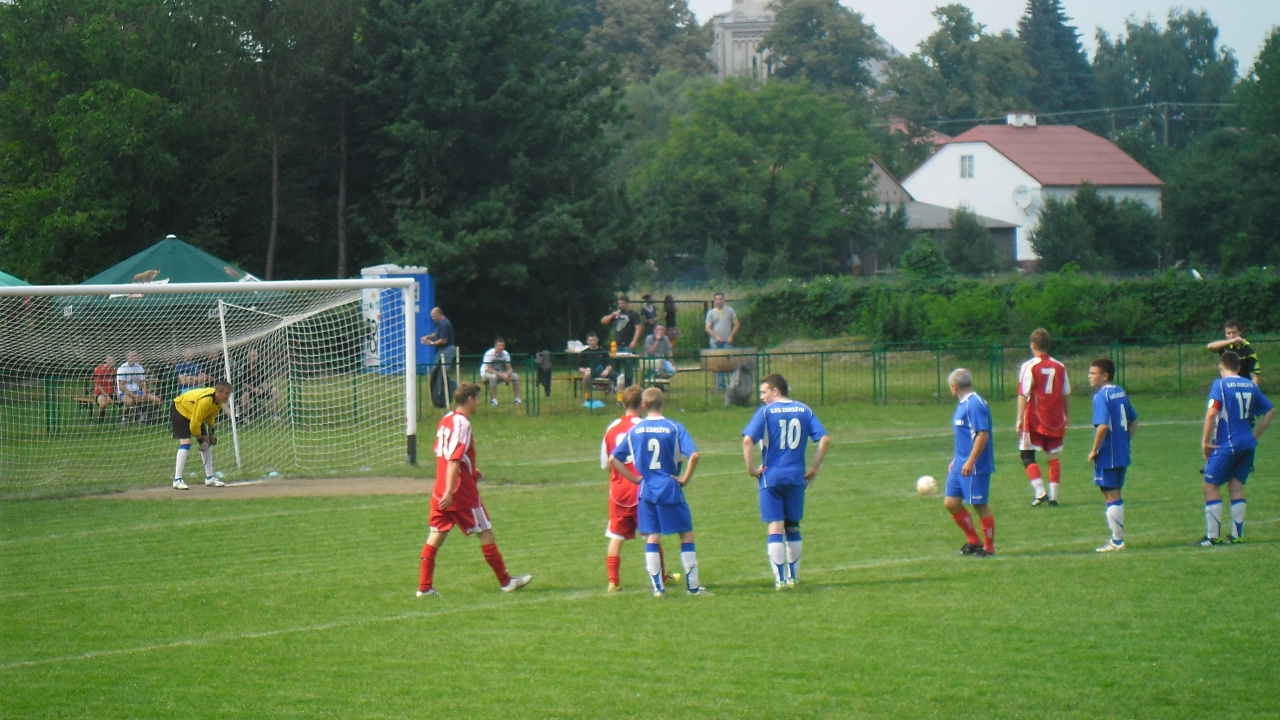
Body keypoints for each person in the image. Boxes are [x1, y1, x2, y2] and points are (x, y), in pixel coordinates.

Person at [418, 383, 532, 596]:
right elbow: (453, 460)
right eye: (478, 399)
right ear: (470, 399)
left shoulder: (446, 420)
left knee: (436, 535)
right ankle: (506, 582)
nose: (480, 403)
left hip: (440, 488)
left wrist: (470, 470)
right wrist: (452, 490)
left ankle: (424, 588)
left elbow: (444, 454)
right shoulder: (463, 424)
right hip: (460, 493)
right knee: (486, 532)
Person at [608, 387, 710, 596]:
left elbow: (613, 459)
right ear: (662, 404)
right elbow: (695, 455)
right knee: (687, 536)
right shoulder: (674, 427)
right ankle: (692, 587)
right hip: (670, 488)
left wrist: (635, 478)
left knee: (653, 538)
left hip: (646, 491)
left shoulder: (635, 431)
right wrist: (684, 479)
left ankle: (658, 589)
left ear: (643, 406)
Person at [742, 374, 830, 589]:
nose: (762, 397)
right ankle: (793, 577)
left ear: (775, 391)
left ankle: (780, 579)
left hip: (771, 477)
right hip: (796, 476)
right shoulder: (804, 410)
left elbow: (747, 440)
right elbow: (824, 439)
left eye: (764, 392)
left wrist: (752, 469)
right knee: (793, 527)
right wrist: (814, 468)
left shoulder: (766, 412)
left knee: (775, 527)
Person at [600, 385, 677, 592]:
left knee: (616, 536)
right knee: (651, 535)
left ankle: (613, 581)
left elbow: (607, 463)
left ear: (623, 403)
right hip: (642, 488)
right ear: (642, 405)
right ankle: (661, 576)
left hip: (617, 491)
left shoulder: (612, 428)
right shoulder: (644, 427)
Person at [1197, 351, 1275, 547]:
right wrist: (1253, 436)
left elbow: (1211, 414)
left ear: (1221, 367)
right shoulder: (1250, 385)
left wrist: (1205, 442)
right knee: (1236, 487)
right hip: (1247, 443)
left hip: (1227, 443)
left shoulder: (1220, 384)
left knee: (1210, 486)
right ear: (1239, 368)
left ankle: (1213, 537)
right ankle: (1236, 535)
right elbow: (1271, 411)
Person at [1086, 359, 1138, 552]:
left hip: (1108, 453)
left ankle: (1117, 541)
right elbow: (1134, 420)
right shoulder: (1120, 392)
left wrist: (1094, 450)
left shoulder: (1102, 396)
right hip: (1122, 451)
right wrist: (1125, 441)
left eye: (1093, 373)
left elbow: (1103, 426)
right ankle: (1117, 539)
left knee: (1110, 494)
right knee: (1114, 493)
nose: (1089, 377)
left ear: (1104, 376)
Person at [943, 368, 997, 557]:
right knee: (951, 502)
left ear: (954, 387)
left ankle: (989, 548)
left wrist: (971, 460)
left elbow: (983, 434)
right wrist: (957, 460)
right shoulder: (963, 404)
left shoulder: (974, 404)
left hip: (975, 466)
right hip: (960, 463)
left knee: (979, 504)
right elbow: (966, 435)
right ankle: (973, 541)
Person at [1016, 328, 1069, 507]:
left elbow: (1023, 393)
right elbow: (1066, 393)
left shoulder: (1029, 366)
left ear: (1033, 345)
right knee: (1052, 455)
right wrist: (1066, 416)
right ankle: (1053, 497)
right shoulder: (1060, 366)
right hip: (1055, 418)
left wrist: (1019, 418)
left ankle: (1040, 491)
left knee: (1026, 453)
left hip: (1035, 417)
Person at [170, 381, 232, 490]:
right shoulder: (206, 400)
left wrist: (211, 434)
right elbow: (194, 425)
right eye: (226, 393)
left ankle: (210, 478)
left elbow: (210, 416)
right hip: (180, 409)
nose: (228, 396)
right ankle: (177, 480)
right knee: (186, 442)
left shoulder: (218, 402)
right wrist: (200, 440)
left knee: (207, 443)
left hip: (193, 413)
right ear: (218, 392)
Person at [601, 294, 642, 388]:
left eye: (622, 303)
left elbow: (638, 328)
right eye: (619, 303)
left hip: (628, 345)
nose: (620, 305)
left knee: (628, 367)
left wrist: (634, 341)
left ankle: (628, 387)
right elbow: (603, 321)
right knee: (616, 367)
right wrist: (613, 315)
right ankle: (617, 386)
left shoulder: (634, 314)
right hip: (617, 345)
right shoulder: (617, 314)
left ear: (628, 304)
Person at [704, 292, 740, 391]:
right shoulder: (711, 313)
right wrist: (716, 336)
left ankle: (733, 385)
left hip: (727, 341)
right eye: (717, 299)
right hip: (715, 342)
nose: (719, 301)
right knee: (718, 365)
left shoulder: (730, 311)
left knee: (731, 363)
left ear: (724, 300)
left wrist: (731, 336)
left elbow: (737, 324)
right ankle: (721, 386)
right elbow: (708, 328)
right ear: (715, 301)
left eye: (721, 299)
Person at [1206, 320, 1260, 384]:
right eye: (1228, 333)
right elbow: (1210, 346)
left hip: (1242, 385)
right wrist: (1233, 340)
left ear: (1240, 332)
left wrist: (1253, 390)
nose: (1231, 336)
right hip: (1226, 385)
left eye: (1234, 333)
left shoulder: (1249, 351)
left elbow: (1255, 377)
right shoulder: (1224, 348)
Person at [116, 350, 162, 421]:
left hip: (137, 391)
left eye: (136, 356)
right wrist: (133, 395)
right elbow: (121, 386)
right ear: (127, 357)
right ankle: (125, 418)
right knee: (129, 401)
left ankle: (145, 415)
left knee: (157, 400)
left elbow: (143, 382)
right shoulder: (122, 368)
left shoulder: (139, 367)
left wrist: (145, 392)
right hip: (125, 392)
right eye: (133, 356)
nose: (135, 357)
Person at [238, 348, 279, 419]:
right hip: (247, 389)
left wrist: (266, 386)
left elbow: (264, 380)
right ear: (247, 357)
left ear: (258, 356)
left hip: (259, 389)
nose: (253, 358)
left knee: (274, 390)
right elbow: (241, 382)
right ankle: (244, 417)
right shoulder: (243, 367)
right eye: (251, 356)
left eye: (254, 356)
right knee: (245, 395)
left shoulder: (261, 366)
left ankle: (274, 414)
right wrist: (253, 389)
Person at [480, 337, 522, 406]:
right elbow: (489, 369)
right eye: (499, 345)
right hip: (486, 373)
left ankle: (517, 399)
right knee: (493, 377)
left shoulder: (505, 354)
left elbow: (509, 368)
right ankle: (494, 400)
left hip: (499, 372)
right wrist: (503, 375)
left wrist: (508, 375)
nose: (501, 347)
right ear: (495, 346)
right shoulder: (489, 354)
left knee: (515, 376)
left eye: (503, 345)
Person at [577, 331, 615, 406]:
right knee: (587, 374)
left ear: (597, 340)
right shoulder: (584, 353)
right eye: (591, 340)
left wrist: (607, 370)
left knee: (621, 376)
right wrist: (584, 370)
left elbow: (610, 364)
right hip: (591, 372)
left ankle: (619, 400)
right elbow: (578, 367)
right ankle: (588, 398)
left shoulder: (603, 351)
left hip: (604, 372)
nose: (593, 342)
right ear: (587, 341)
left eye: (594, 340)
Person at [91, 354, 117, 423]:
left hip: (111, 392)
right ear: (106, 360)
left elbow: (116, 383)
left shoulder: (115, 370)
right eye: (109, 360)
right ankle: (101, 420)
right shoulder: (99, 369)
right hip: (100, 393)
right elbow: (99, 386)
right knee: (103, 403)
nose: (111, 362)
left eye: (113, 360)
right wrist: (107, 395)